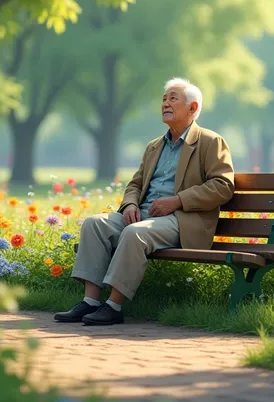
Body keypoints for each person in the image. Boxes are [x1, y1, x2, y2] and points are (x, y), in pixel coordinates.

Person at [54, 77, 234, 326]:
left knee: (134, 233)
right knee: (94, 224)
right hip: (144, 215)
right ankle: (91, 302)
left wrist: (178, 200)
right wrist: (129, 204)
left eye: (173, 98)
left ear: (192, 108)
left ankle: (114, 306)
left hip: (180, 220)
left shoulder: (210, 142)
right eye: (163, 99)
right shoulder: (154, 147)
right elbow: (135, 184)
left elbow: (223, 186)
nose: (165, 103)